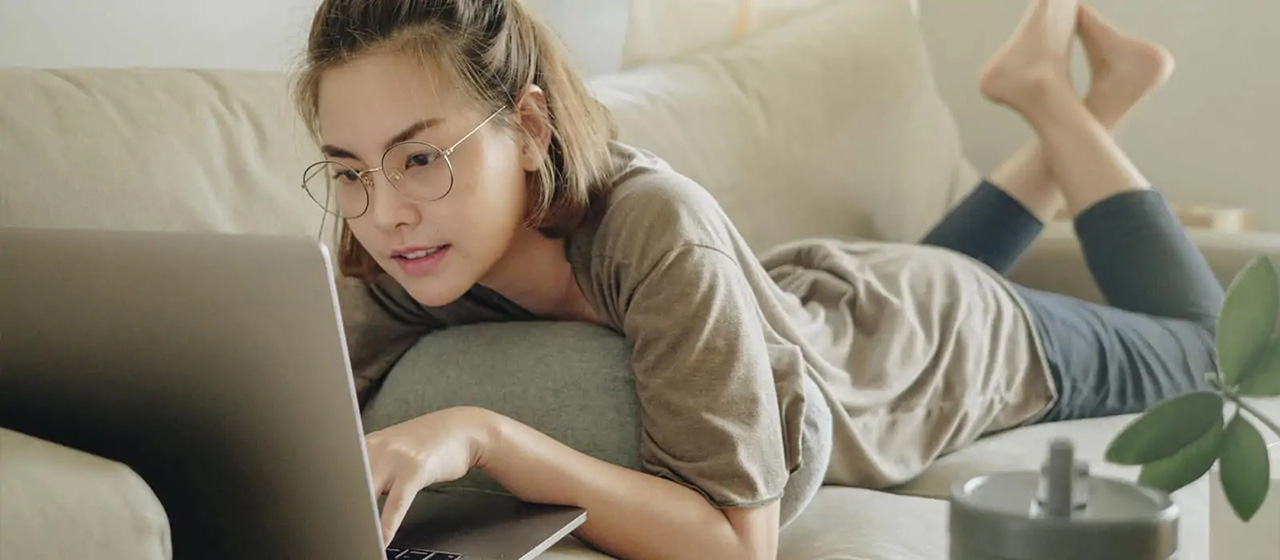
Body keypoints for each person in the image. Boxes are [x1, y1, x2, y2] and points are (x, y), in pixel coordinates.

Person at [292, 0, 1221, 557]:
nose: (383, 211)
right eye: (349, 169)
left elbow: (740, 548)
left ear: (530, 130)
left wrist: (486, 434)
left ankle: (1056, 100)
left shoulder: (651, 224)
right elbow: (304, 426)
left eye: (419, 160)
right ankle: (1091, 101)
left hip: (938, 342)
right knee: (909, 279)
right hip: (824, 297)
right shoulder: (395, 258)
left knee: (1218, 353)